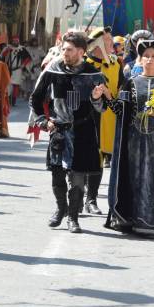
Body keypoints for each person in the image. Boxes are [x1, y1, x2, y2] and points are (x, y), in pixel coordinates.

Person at [93, 39, 154, 237]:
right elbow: (121, 111)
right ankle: (134, 221)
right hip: (134, 142)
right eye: (146, 56)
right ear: (140, 59)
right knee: (135, 179)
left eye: (153, 56)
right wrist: (107, 96)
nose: (149, 59)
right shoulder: (130, 83)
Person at [30, 31, 104, 233]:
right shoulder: (53, 70)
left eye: (69, 50)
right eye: (63, 49)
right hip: (59, 130)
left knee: (78, 177)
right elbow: (35, 100)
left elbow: (102, 107)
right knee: (57, 174)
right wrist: (44, 122)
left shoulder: (93, 73)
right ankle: (60, 207)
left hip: (83, 131)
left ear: (81, 51)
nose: (64, 52)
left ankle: (73, 217)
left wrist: (97, 97)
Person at [84, 27, 124, 212]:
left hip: (109, 118)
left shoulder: (117, 64)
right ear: (98, 44)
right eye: (108, 40)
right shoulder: (84, 65)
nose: (112, 44)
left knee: (99, 157)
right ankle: (81, 197)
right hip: (86, 118)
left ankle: (91, 199)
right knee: (88, 156)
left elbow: (122, 89)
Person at [1, 36, 32, 105]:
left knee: (16, 85)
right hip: (8, 69)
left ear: (18, 41)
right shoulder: (8, 48)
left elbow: (28, 58)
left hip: (17, 69)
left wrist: (23, 65)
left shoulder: (21, 49)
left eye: (16, 40)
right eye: (14, 40)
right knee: (8, 85)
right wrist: (7, 50)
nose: (15, 42)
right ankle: (8, 99)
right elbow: (2, 56)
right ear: (12, 41)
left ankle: (13, 101)